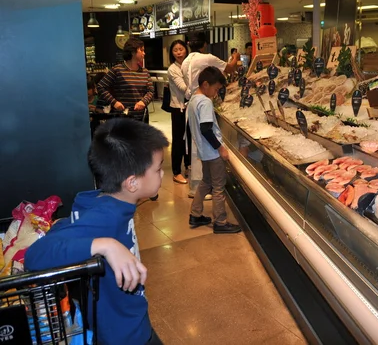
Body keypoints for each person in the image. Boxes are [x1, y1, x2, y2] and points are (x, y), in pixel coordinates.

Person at [25, 118, 169, 345]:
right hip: (123, 333)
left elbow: (70, 226)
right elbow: (34, 256)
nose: (162, 174)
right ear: (132, 183)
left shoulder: (108, 201)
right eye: (158, 168)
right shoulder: (106, 216)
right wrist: (107, 245)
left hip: (128, 319)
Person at [188, 66, 241, 234]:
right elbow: (206, 129)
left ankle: (195, 214)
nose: (216, 92)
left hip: (204, 151)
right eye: (216, 89)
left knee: (206, 182)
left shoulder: (193, 100)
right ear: (205, 84)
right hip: (212, 152)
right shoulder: (205, 102)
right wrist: (221, 149)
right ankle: (221, 222)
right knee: (218, 187)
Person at [97, 38, 153, 122]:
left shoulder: (145, 72)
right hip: (122, 117)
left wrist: (143, 102)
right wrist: (114, 102)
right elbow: (101, 86)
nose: (144, 53)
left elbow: (150, 91)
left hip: (141, 117)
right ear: (133, 52)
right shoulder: (117, 70)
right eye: (141, 50)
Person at [181, 33, 239, 100]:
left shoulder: (184, 62)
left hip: (191, 100)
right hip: (203, 99)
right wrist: (236, 57)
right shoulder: (207, 58)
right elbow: (230, 69)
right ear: (205, 44)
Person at [167, 40, 191, 185]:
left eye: (181, 49)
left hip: (190, 108)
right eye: (175, 50)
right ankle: (176, 172)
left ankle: (188, 166)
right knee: (178, 141)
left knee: (189, 137)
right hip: (178, 108)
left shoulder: (189, 66)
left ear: (186, 50)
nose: (178, 52)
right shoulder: (172, 69)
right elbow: (184, 88)